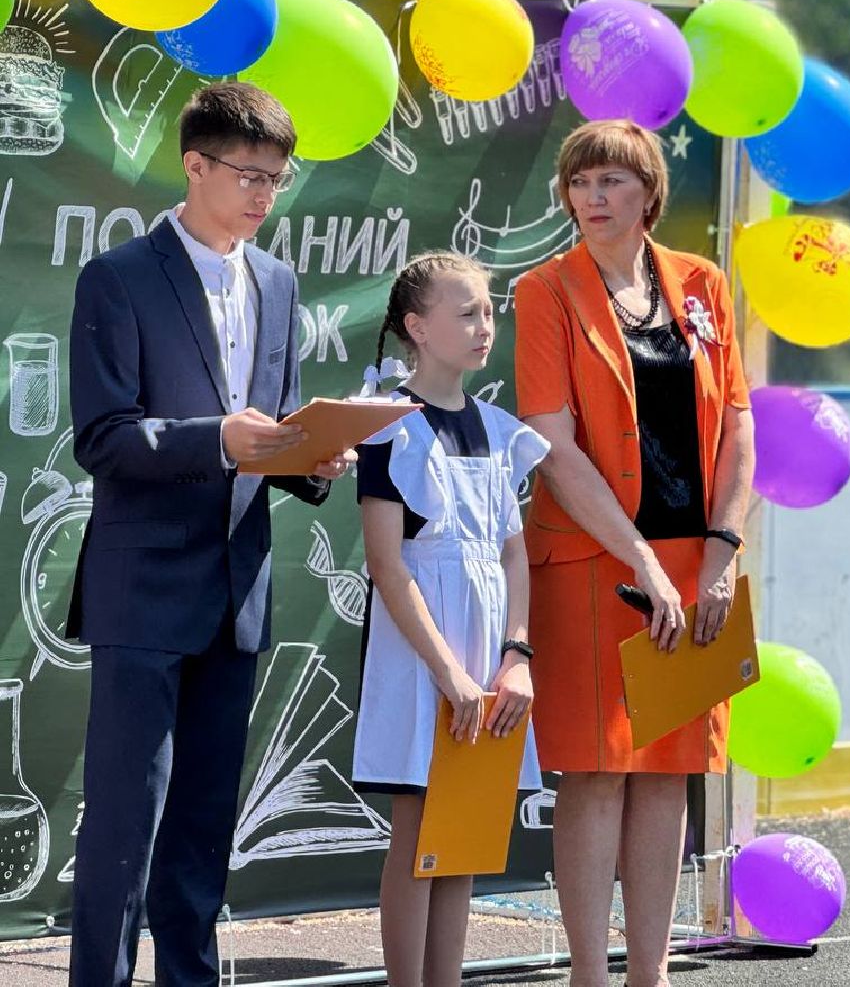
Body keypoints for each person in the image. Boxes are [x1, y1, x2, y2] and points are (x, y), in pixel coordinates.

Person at [66, 82, 350, 986]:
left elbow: (272, 429)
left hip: (238, 590)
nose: (267, 195)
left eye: (279, 178)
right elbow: (103, 438)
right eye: (251, 175)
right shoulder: (118, 277)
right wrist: (219, 441)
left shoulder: (277, 279)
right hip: (142, 590)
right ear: (195, 166)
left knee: (201, 828)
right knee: (122, 825)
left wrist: (309, 460)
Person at [513, 119, 754, 987]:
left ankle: (647, 975)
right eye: (580, 183)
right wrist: (642, 562)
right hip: (593, 563)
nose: (593, 198)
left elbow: (737, 421)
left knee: (668, 775)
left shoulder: (703, 283)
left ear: (650, 192)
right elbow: (552, 442)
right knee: (596, 773)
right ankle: (589, 973)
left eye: (611, 181)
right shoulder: (545, 291)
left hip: (698, 564)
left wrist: (720, 552)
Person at [351, 251, 548, 987]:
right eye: (465, 312)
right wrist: (449, 674)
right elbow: (389, 566)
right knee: (417, 830)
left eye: (488, 312)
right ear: (416, 326)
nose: (483, 326)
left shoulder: (501, 430)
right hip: (421, 657)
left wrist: (515, 655)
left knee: (463, 831)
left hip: (487, 658)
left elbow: (514, 557)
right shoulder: (387, 428)